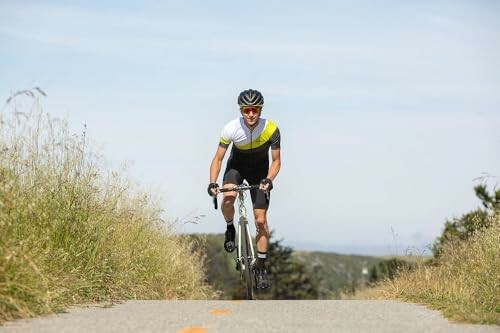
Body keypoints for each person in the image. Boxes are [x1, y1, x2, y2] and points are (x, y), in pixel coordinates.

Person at [207, 89, 281, 290]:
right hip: (236, 167)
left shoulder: (271, 129)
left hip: (260, 172)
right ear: (241, 110)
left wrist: (269, 179)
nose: (250, 114)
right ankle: (230, 228)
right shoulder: (231, 128)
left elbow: (276, 161)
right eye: (246, 110)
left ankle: (261, 267)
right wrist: (213, 182)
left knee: (261, 220)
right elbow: (218, 158)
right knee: (229, 197)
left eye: (254, 110)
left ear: (260, 110)